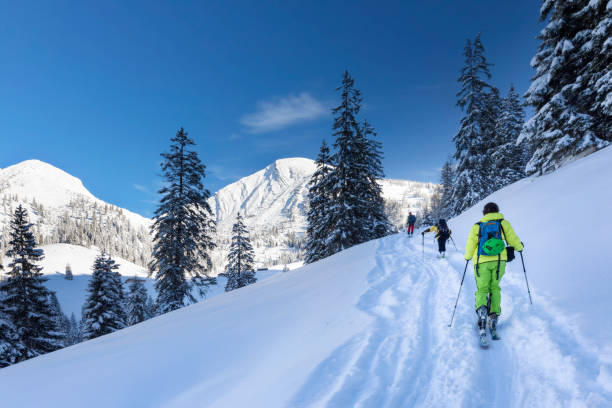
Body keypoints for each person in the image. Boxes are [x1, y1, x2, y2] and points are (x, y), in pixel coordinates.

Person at [464, 202, 523, 337]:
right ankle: (494, 315)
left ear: (484, 213)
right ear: (497, 211)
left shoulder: (477, 226)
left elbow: (470, 244)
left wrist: (467, 257)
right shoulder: (503, 223)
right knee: (494, 287)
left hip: (481, 261)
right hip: (499, 261)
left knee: (482, 289)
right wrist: (519, 247)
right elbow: (512, 239)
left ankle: (482, 312)